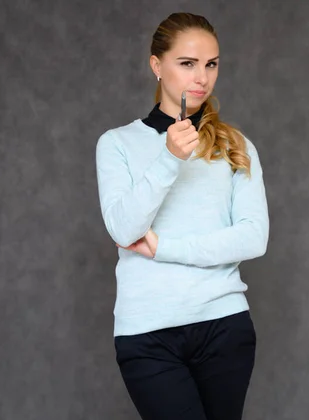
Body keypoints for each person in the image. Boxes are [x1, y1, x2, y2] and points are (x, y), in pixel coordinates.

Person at [95, 12, 269, 420]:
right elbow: (122, 228)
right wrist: (170, 157)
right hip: (147, 332)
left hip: (223, 324)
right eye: (187, 63)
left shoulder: (235, 145)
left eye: (211, 64)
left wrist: (164, 248)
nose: (202, 78)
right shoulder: (117, 144)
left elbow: (253, 238)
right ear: (157, 66)